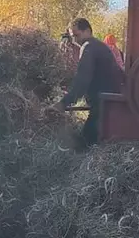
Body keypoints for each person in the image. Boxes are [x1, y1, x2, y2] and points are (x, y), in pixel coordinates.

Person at [50, 18, 124, 149]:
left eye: (77, 35)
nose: (75, 40)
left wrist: (63, 103)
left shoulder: (88, 47)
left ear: (88, 31)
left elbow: (82, 80)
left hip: (104, 102)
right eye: (72, 37)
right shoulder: (98, 46)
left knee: (84, 143)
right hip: (108, 99)